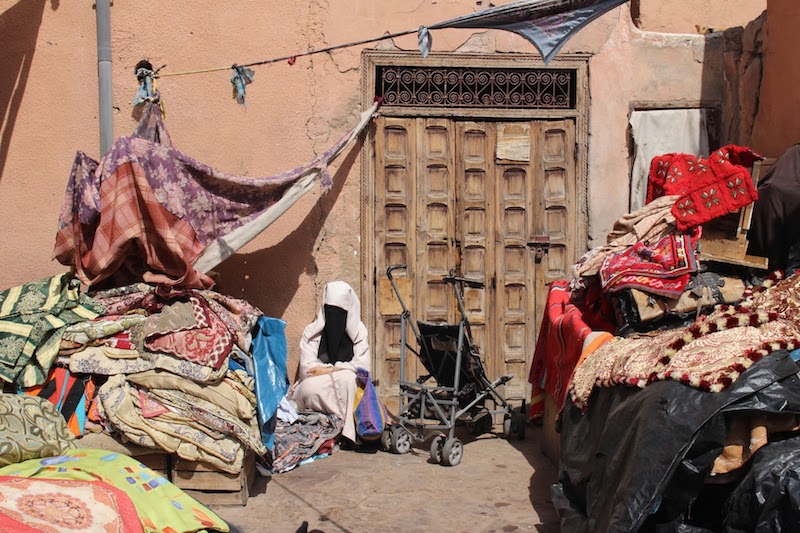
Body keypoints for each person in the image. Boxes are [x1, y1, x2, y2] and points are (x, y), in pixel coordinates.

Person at [291, 281, 370, 444]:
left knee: (349, 379)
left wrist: (328, 370)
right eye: (330, 312)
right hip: (316, 386)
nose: (334, 318)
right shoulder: (312, 333)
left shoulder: (359, 333)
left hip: (340, 384)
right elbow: (306, 370)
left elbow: (362, 368)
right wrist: (342, 369)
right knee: (308, 387)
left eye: (339, 313)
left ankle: (348, 433)